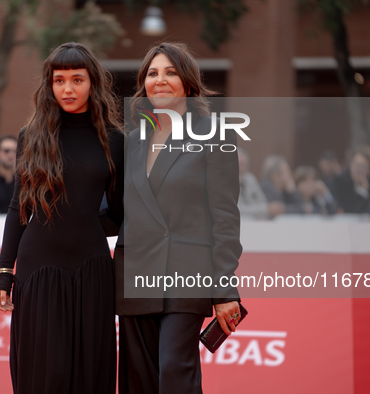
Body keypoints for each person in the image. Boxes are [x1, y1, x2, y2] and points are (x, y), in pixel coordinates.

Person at [0, 42, 124, 394]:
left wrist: (89, 227)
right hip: (39, 267)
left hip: (93, 269)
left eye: (77, 80)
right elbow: (19, 207)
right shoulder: (30, 137)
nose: (67, 89)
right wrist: (5, 272)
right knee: (44, 372)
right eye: (59, 80)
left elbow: (122, 210)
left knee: (88, 371)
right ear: (49, 85)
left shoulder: (114, 140)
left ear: (92, 83)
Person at [116, 42, 242, 394]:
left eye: (170, 72)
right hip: (136, 271)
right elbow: (113, 211)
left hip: (188, 272)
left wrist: (224, 288)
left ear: (187, 82)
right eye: (152, 74)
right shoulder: (132, 140)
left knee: (174, 371)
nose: (160, 80)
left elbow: (225, 218)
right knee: (139, 379)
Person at [333, 146, 370, 214]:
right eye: (356, 164)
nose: (358, 169)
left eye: (364, 166)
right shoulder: (341, 180)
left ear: (369, 170)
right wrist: (362, 191)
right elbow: (349, 210)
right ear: (350, 164)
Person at [237, 147, 269, 219]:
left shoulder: (250, 178)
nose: (242, 168)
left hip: (257, 222)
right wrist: (265, 210)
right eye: (239, 164)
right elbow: (238, 209)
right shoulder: (225, 183)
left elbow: (263, 202)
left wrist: (265, 209)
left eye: (244, 164)